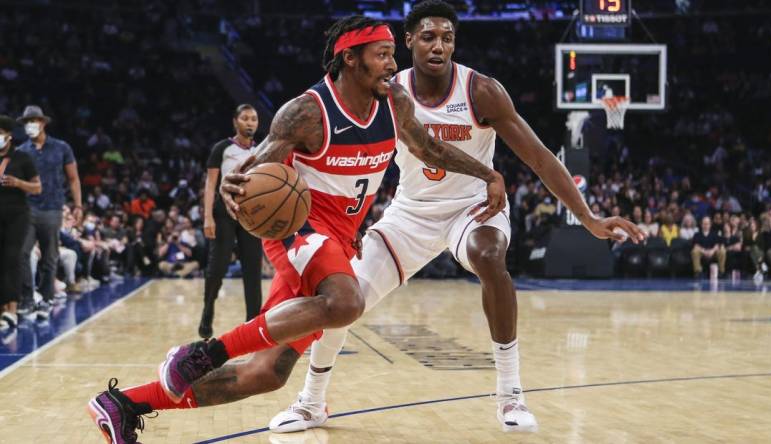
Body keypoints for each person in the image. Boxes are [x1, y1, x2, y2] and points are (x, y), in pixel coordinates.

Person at [88, 16, 509, 443]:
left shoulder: (395, 102)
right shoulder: (308, 111)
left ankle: (125, 404)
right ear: (350, 58)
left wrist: (485, 174)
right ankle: (201, 353)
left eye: (391, 55)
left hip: (339, 236)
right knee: (346, 303)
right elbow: (261, 165)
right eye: (381, 55)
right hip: (297, 226)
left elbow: (427, 147)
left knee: (266, 373)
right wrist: (238, 185)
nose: (391, 65)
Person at [269, 1, 644, 434]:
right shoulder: (384, 90)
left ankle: (510, 395)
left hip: (472, 208)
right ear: (407, 42)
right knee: (341, 301)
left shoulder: (481, 90)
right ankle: (311, 402)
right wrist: (347, 227)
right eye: (428, 37)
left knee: (489, 255)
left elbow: (540, 158)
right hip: (409, 214)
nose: (438, 46)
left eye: (447, 38)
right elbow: (361, 164)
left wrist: (589, 217)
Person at [200, 104, 263, 338]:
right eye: (245, 118)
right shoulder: (222, 148)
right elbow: (210, 184)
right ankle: (207, 313)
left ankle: (253, 323)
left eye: (254, 119)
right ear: (235, 121)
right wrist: (207, 216)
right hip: (224, 210)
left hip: (252, 212)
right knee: (217, 269)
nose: (250, 123)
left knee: (252, 270)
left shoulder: (262, 150)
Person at [17, 105, 82, 318]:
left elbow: (73, 178)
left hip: (53, 208)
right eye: (26, 122)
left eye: (33, 121)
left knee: (50, 256)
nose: (29, 125)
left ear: (43, 122)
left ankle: (46, 298)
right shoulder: (21, 152)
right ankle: (27, 299)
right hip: (27, 209)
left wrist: (78, 205)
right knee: (22, 253)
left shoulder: (61, 147)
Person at [0, 115, 41, 330]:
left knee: (12, 259)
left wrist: (18, 183)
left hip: (17, 215)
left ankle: (12, 309)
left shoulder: (22, 158)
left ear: (8, 135)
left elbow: (37, 187)